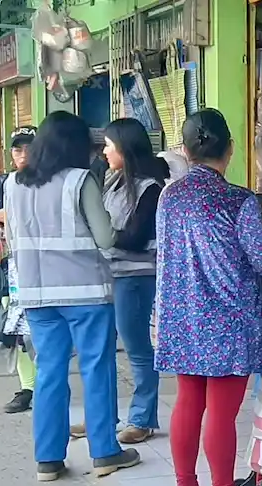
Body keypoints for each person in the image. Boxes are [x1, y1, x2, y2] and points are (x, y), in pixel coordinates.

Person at [155, 109, 262, 486]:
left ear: (186, 151)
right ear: (229, 148)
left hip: (183, 315)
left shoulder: (168, 198)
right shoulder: (238, 199)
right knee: (222, 412)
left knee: (187, 402)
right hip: (229, 317)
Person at [3, 111, 141, 482]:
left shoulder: (13, 184)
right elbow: (105, 238)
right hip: (85, 294)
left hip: (36, 295)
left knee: (49, 372)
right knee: (96, 369)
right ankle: (105, 453)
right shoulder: (80, 181)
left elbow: (13, 239)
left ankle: (47, 459)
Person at [101, 118, 167, 444]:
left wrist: (101, 236)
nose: (104, 152)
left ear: (125, 149)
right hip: (109, 275)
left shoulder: (150, 188)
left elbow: (137, 237)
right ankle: (105, 416)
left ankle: (142, 418)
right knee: (102, 350)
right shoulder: (112, 182)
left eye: (109, 146)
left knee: (138, 349)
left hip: (136, 277)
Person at [0, 126, 38, 413]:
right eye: (18, 149)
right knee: (18, 333)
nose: (24, 154)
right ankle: (28, 387)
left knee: (43, 331)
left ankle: (48, 385)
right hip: (10, 271)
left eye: (29, 147)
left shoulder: (52, 181)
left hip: (45, 268)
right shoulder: (1, 183)